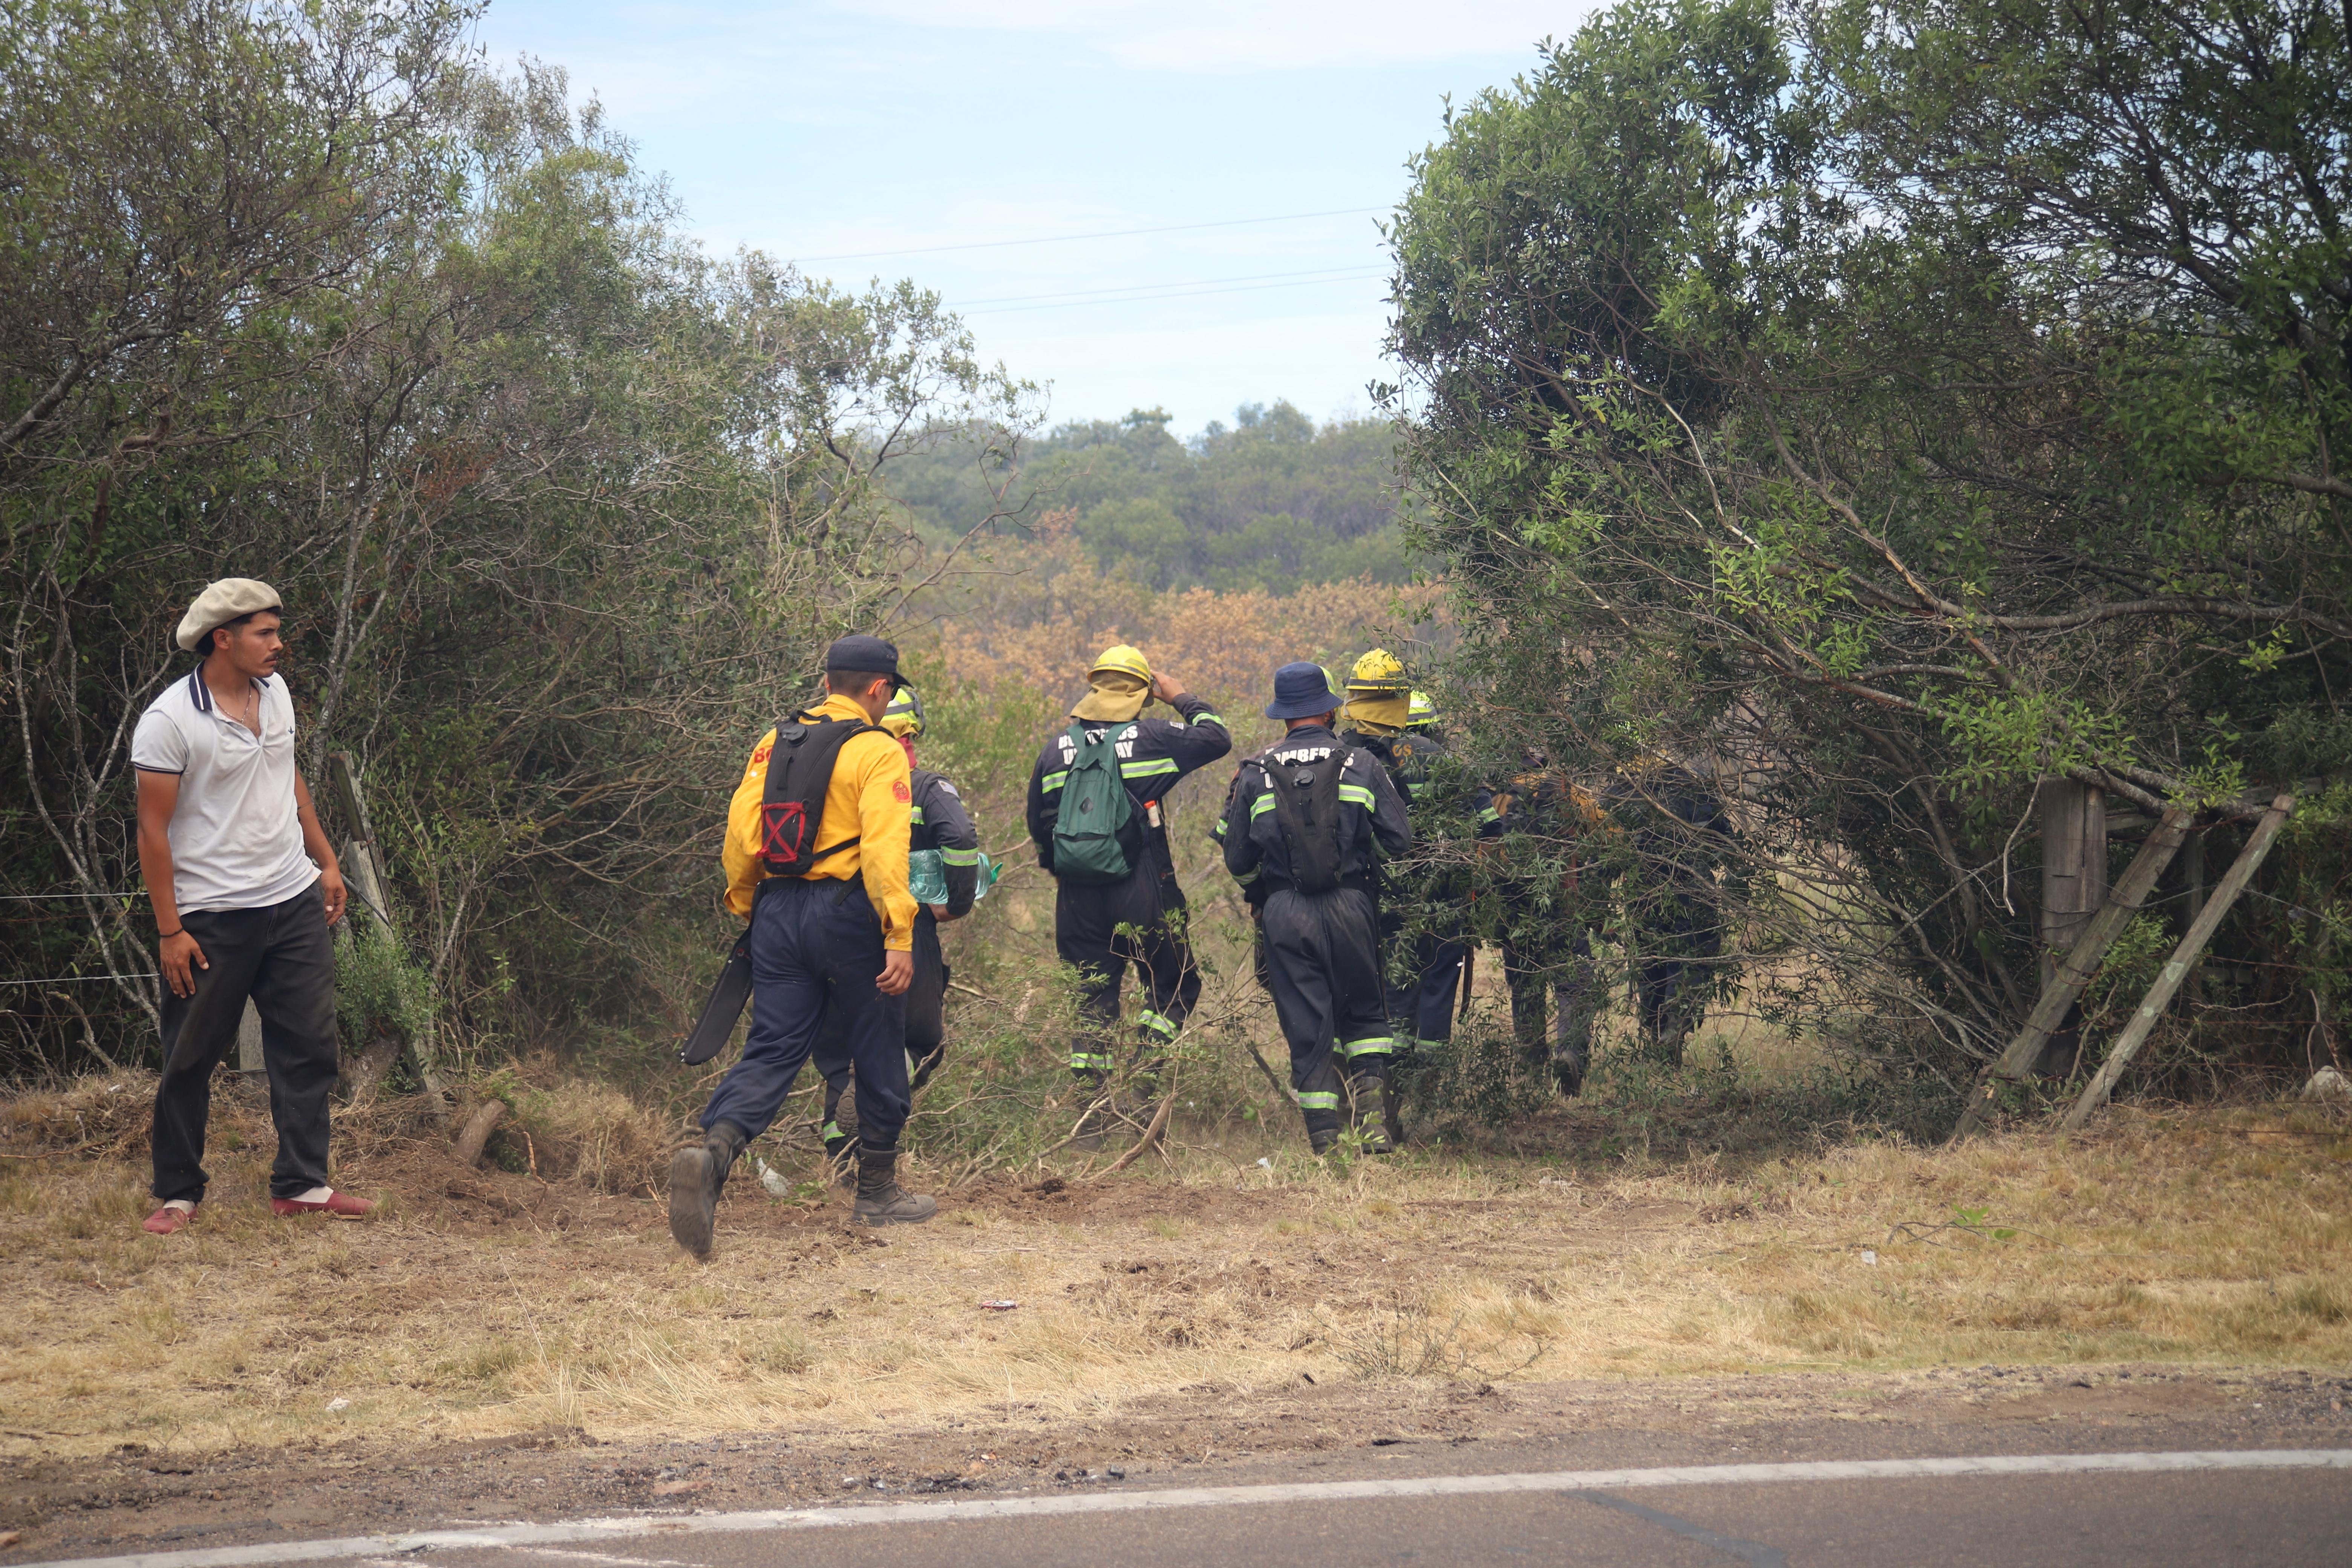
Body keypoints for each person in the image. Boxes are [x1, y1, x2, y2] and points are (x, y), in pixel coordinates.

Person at [671, 634, 934, 1254]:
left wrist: (750, 904)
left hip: (777, 909)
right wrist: (899, 933)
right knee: (876, 1039)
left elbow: (741, 836)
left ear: (826, 685)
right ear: (878, 690)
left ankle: (714, 1155)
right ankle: (877, 1192)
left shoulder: (773, 742)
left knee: (772, 1045)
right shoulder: (879, 750)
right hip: (850, 912)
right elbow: (883, 850)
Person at [131, 579, 365, 1235]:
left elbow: (288, 776)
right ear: (223, 639)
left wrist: (324, 860)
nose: (278, 645)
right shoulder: (170, 720)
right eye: (265, 633)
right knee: (191, 1056)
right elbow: (153, 831)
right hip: (211, 916)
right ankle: (178, 1193)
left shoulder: (278, 693)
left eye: (276, 631)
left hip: (291, 899)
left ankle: (302, 1185)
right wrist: (170, 930)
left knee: (310, 1044)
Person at [1025, 646, 1230, 1136]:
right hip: (1142, 889)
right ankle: (1143, 1085)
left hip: (1076, 898)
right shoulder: (1152, 735)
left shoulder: (1056, 750)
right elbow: (1216, 737)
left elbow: (1038, 823)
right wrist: (1178, 693)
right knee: (1176, 982)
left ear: (1095, 688)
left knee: (1093, 996)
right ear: (1142, 692)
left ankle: (1091, 1120)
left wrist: (1071, 873)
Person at [1217, 663, 1411, 1153]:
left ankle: (1326, 1139)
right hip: (1352, 905)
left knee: (1307, 1022)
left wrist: (1262, 895)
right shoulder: (1362, 765)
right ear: (1329, 711)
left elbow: (1237, 860)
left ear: (1283, 717)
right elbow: (1401, 841)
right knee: (1365, 1015)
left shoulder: (1255, 772)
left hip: (1284, 910)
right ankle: (1372, 1128)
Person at [811, 684, 982, 1176]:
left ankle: (843, 1172)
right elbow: (962, 838)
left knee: (841, 1057)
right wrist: (955, 904)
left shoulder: (830, 782)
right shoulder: (923, 786)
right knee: (920, 1045)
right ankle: (872, 1118)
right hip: (905, 930)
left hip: (828, 930)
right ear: (911, 731)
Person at [1338, 652, 1478, 1075]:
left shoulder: (1340, 756)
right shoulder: (1441, 758)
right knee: (1436, 983)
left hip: (1365, 897)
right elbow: (1485, 829)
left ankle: (1377, 1077)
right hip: (1441, 897)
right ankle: (1424, 1081)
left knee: (1379, 985)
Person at [1488, 755, 1614, 1095]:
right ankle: (1570, 1053)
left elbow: (1484, 852)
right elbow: (1610, 837)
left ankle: (1532, 1068)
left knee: (1526, 987)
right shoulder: (1569, 792)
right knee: (1574, 986)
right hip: (1563, 909)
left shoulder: (1500, 798)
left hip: (1515, 914)